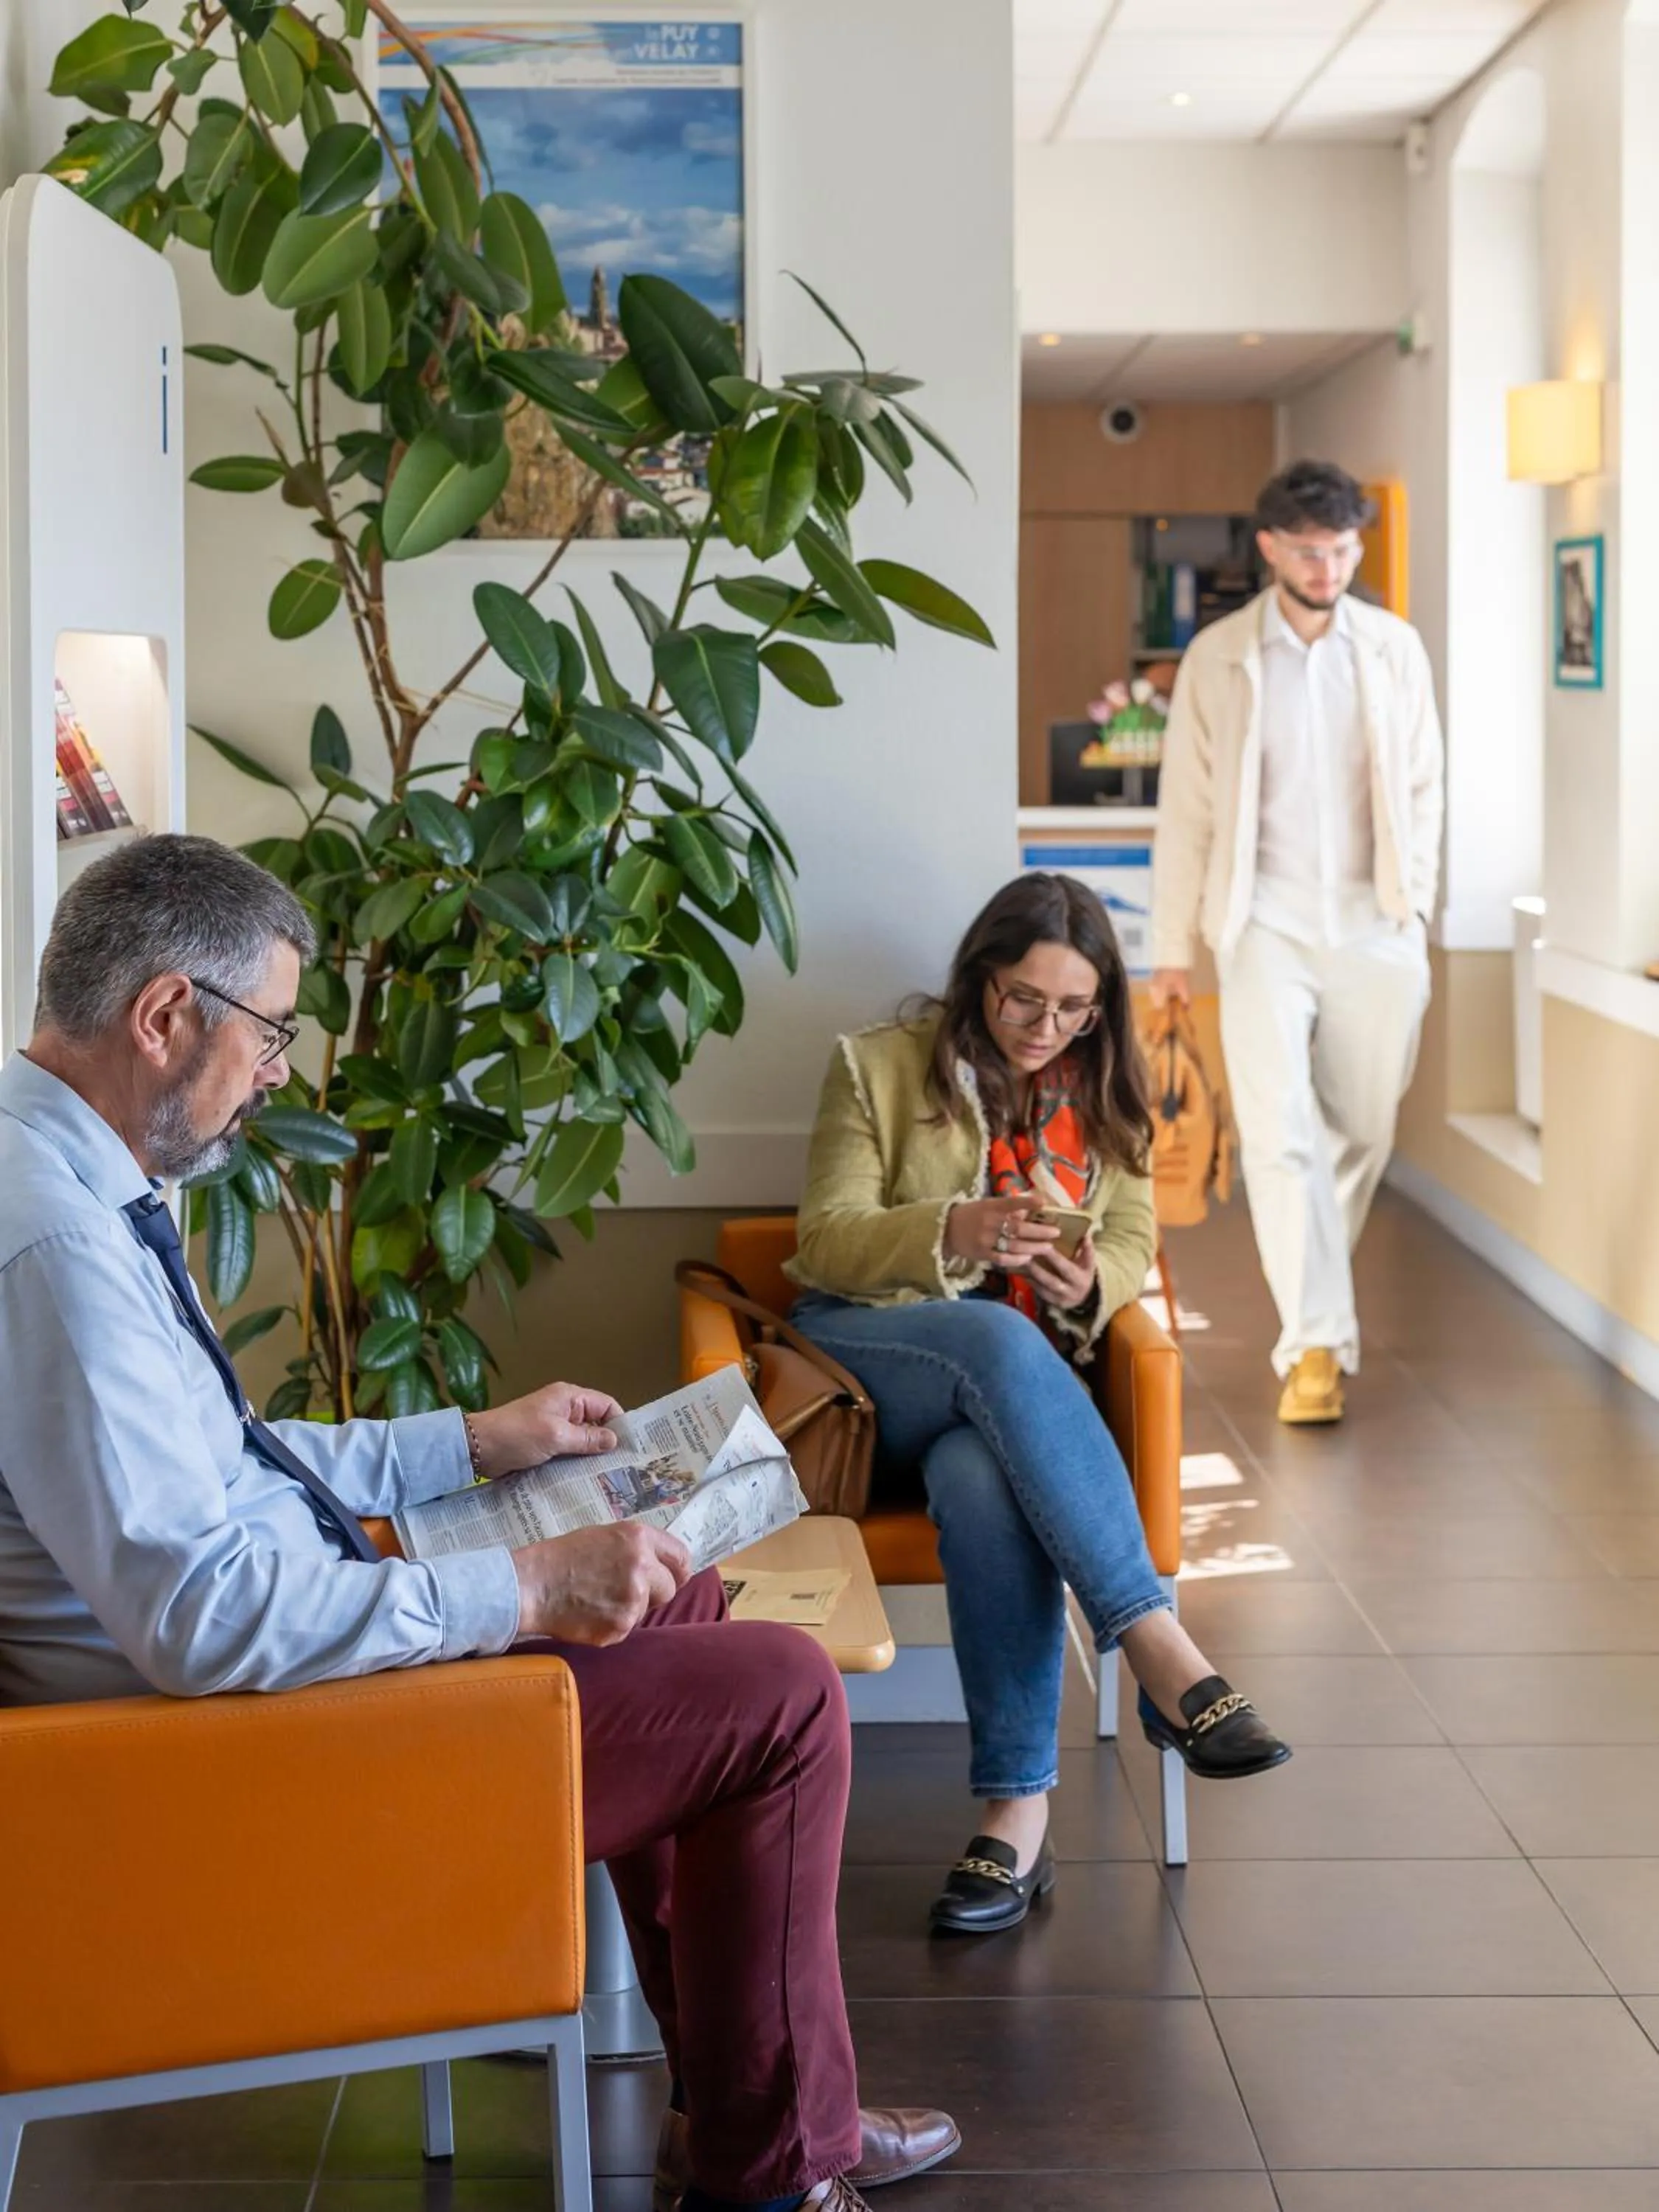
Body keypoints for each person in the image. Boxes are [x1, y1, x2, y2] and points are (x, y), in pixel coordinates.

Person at [0, 834, 959, 2212]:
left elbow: (227, 1467)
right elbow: (200, 1620)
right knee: (784, 1699)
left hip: (255, 1690)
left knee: (673, 1601)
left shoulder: (63, 1185)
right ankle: (774, 2169)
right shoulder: (59, 1253)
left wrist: (469, 1443)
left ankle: (759, 2108)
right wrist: (521, 1587)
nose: (277, 1073)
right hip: (224, 1762)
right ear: (164, 1016)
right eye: (267, 1033)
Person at [788, 873, 1290, 1938]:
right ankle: (1157, 1649)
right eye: (1024, 1000)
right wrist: (954, 1232)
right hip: (868, 1358)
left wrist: (1088, 1283)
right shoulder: (872, 1064)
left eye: (1072, 1008)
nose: (1044, 1027)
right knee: (993, 1334)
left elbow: (1128, 1244)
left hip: (1005, 1409)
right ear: (980, 979)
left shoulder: (1109, 1098)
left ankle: (1016, 1812)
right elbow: (823, 1238)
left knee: (981, 1479)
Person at [1150, 460, 1445, 1425]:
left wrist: (1417, 909)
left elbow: (1422, 790)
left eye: (1343, 549)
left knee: (1361, 1129)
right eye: (1312, 550)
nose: (1329, 566)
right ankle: (1312, 1343)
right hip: (1262, 923)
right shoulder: (1220, 659)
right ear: (1272, 547)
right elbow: (1186, 814)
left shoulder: (1393, 650)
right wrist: (1170, 952)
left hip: (1375, 922)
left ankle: (1318, 1304)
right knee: (1278, 1138)